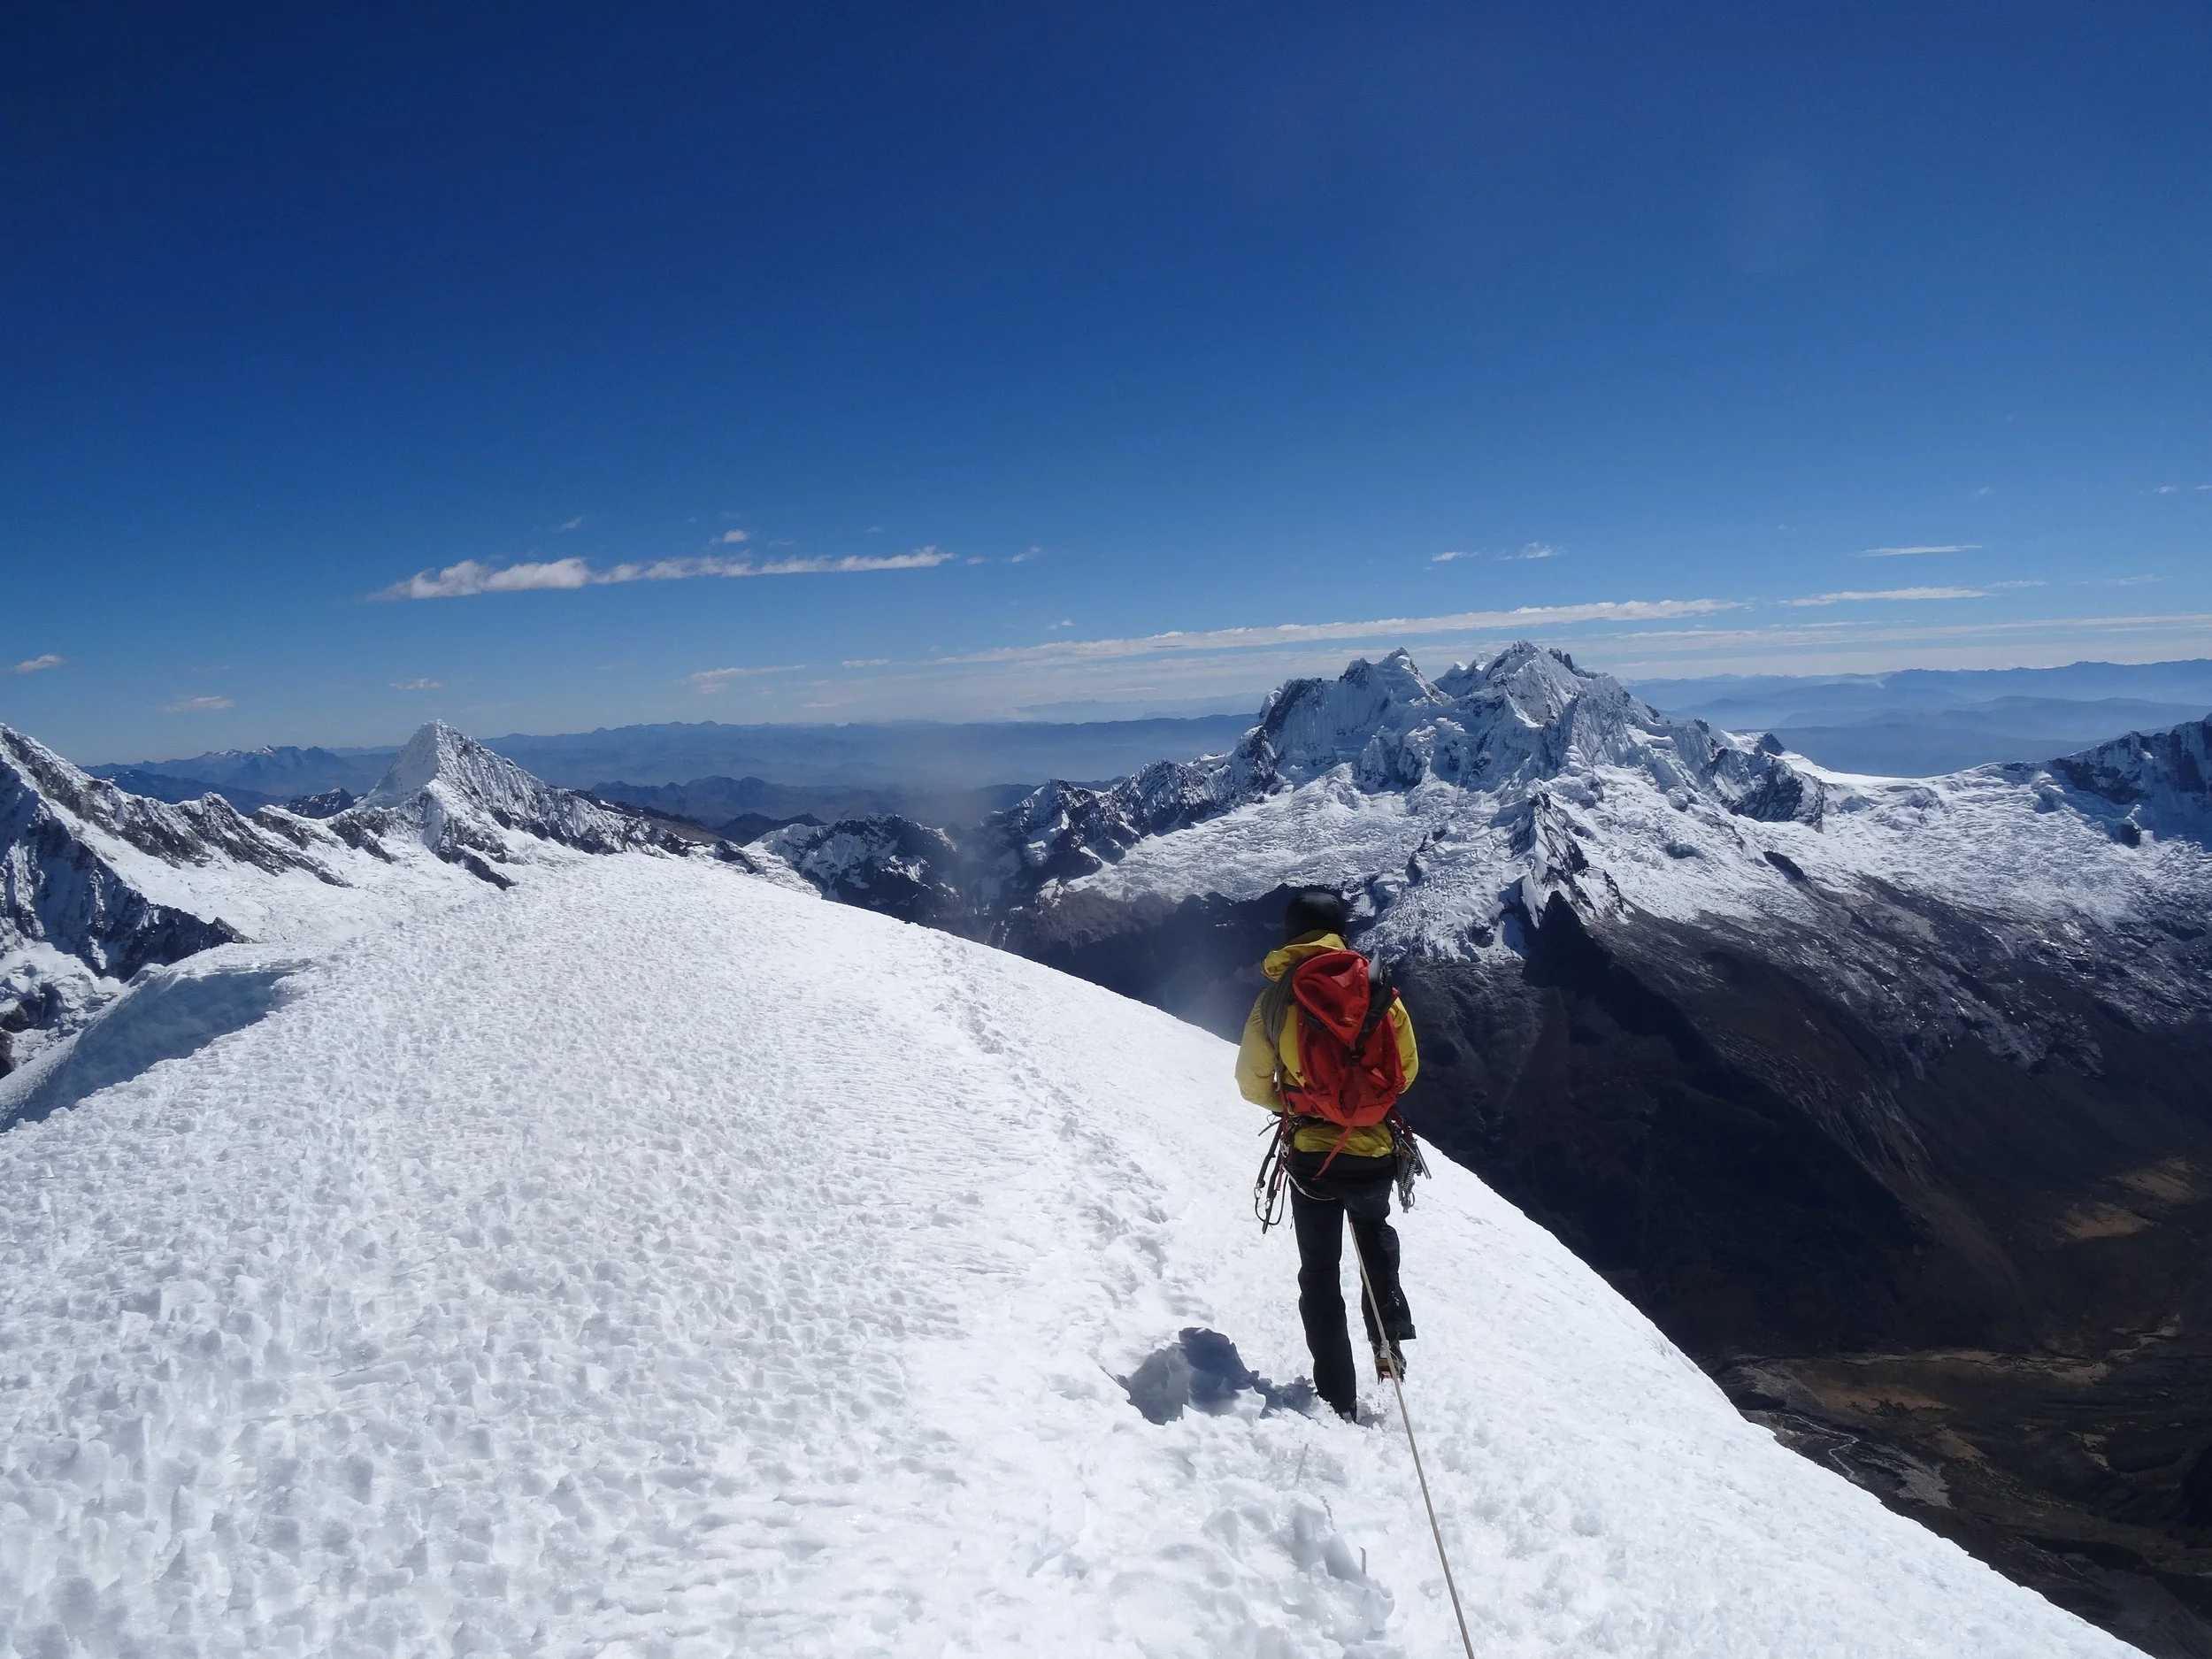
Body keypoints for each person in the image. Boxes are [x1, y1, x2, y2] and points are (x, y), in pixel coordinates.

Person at [1236, 888, 1420, 1420]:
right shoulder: (1379, 988)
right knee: (1372, 1231)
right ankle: (1389, 1340)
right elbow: (1405, 1072)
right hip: (1375, 1146)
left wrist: (1294, 1103)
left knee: (1320, 1271)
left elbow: (1251, 1083)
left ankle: (1337, 1397)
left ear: (1291, 934)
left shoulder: (1275, 1000)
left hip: (1312, 1154)